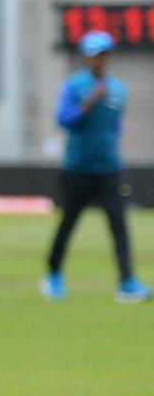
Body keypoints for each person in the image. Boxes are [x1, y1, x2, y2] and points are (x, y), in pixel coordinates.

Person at [43, 32, 148, 302]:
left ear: (108, 57)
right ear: (86, 58)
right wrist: (89, 103)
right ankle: (53, 274)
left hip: (110, 168)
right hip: (77, 167)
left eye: (102, 55)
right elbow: (64, 120)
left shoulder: (118, 89)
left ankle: (126, 281)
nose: (97, 61)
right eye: (92, 56)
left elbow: (115, 126)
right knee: (68, 223)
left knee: (119, 225)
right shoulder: (74, 85)